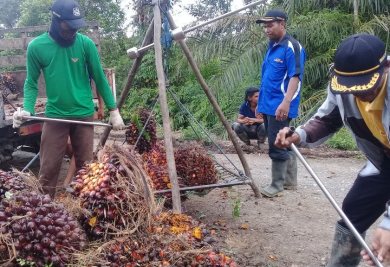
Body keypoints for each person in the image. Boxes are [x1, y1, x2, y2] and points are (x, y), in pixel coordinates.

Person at [275, 33, 390, 266]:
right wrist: (298, 135)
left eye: (365, 86)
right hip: (383, 160)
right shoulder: (343, 87)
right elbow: (328, 118)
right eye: (351, 88)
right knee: (353, 211)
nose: (357, 94)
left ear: (385, 67)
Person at [12, 0, 125, 198]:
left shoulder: (85, 44)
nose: (73, 31)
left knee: (86, 168)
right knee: (48, 168)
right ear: (55, 21)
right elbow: (31, 82)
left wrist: (113, 110)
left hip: (83, 115)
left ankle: (85, 211)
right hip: (55, 116)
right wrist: (27, 109)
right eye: (68, 26)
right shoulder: (37, 47)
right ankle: (44, 210)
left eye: (76, 27)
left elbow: (99, 77)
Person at [255, 9, 306, 197]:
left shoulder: (292, 47)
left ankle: (277, 184)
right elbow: (266, 78)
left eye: (271, 25)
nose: (267, 29)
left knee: (277, 144)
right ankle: (290, 181)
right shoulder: (272, 46)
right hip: (268, 104)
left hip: (281, 105)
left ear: (282, 23)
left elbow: (295, 77)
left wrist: (285, 103)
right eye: (265, 26)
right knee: (284, 140)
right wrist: (260, 104)